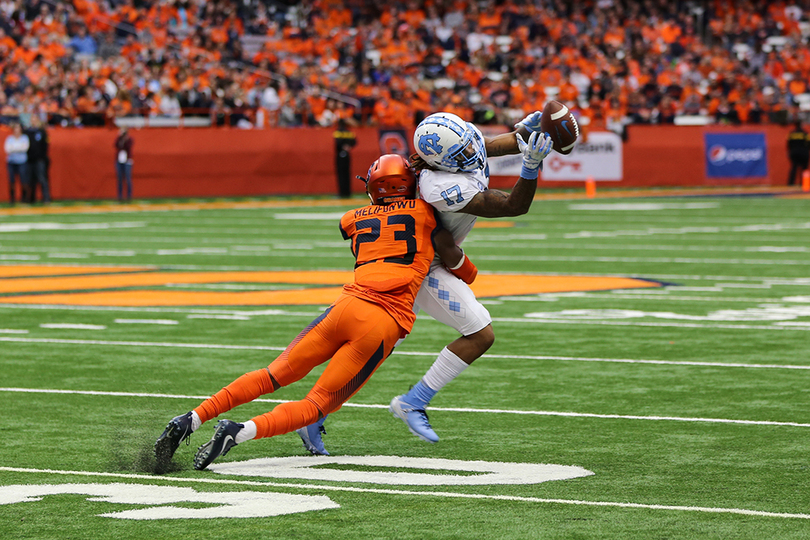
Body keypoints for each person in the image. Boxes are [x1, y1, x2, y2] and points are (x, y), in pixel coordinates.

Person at [154, 154, 481, 470]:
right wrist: (466, 268)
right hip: (381, 322)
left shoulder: (353, 218)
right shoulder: (427, 213)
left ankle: (191, 418)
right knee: (316, 405)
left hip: (344, 308)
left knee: (273, 375)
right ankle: (239, 432)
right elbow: (460, 267)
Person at [296, 111, 553, 453]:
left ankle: (317, 414)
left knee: (371, 351)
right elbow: (512, 206)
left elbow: (489, 145)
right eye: (461, 154)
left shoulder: (456, 142)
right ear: (441, 162)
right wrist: (531, 166)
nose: (471, 155)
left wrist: (527, 131)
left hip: (420, 262)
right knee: (477, 334)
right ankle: (409, 402)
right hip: (420, 268)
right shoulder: (440, 186)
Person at [25, 116, 50, 204]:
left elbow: (45, 145)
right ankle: (32, 198)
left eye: (35, 120)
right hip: (30, 159)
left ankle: (46, 198)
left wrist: (43, 156)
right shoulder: (27, 132)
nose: (33, 122)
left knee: (42, 178)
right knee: (31, 180)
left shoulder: (41, 132)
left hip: (40, 159)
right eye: (32, 120)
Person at [4, 122, 30, 205]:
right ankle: (12, 199)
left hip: (22, 161)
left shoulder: (24, 138)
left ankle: (24, 198)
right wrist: (18, 147)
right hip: (11, 162)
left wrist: (14, 148)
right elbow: (8, 149)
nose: (17, 130)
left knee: (23, 180)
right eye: (15, 128)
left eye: (18, 128)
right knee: (11, 181)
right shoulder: (9, 138)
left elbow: (25, 148)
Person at [333, 118, 357, 198]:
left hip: (340, 154)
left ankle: (342, 192)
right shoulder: (349, 132)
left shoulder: (338, 132)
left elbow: (337, 143)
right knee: (347, 174)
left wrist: (343, 146)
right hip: (347, 154)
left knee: (341, 174)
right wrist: (349, 146)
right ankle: (348, 192)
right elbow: (355, 141)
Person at [787, 119, 810, 186]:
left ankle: (791, 184)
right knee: (804, 169)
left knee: (794, 168)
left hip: (794, 153)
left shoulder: (792, 133)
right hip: (804, 153)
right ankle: (804, 183)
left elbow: (789, 144)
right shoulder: (805, 133)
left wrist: (790, 152)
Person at [114, 127, 134, 202]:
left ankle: (129, 196)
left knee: (128, 179)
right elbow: (116, 145)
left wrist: (125, 138)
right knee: (119, 179)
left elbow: (128, 147)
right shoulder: (119, 139)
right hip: (119, 160)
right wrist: (120, 137)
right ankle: (120, 196)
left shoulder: (129, 139)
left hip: (127, 161)